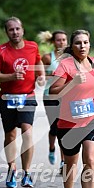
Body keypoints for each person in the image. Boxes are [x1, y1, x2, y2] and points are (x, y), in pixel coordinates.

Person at [49, 30, 94, 188]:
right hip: (69, 122)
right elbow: (53, 92)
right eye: (78, 43)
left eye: (85, 42)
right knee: (70, 164)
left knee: (90, 160)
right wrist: (72, 83)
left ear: (90, 44)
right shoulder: (65, 65)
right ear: (72, 46)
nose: (82, 46)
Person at [0, 16, 45, 188]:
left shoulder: (32, 46)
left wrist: (41, 75)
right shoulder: (1, 51)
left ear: (22, 30)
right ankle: (12, 167)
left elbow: (38, 61)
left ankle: (26, 173)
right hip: (7, 98)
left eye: (17, 29)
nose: (15, 32)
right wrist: (11, 76)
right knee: (11, 135)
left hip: (27, 96)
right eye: (11, 29)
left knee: (27, 133)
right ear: (7, 32)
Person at [40, 30, 68, 172]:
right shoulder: (47, 58)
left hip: (67, 97)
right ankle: (52, 148)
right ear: (53, 42)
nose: (61, 42)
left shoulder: (71, 58)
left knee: (63, 128)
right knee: (55, 127)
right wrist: (44, 77)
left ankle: (63, 162)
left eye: (64, 39)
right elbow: (39, 76)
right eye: (58, 40)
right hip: (50, 96)